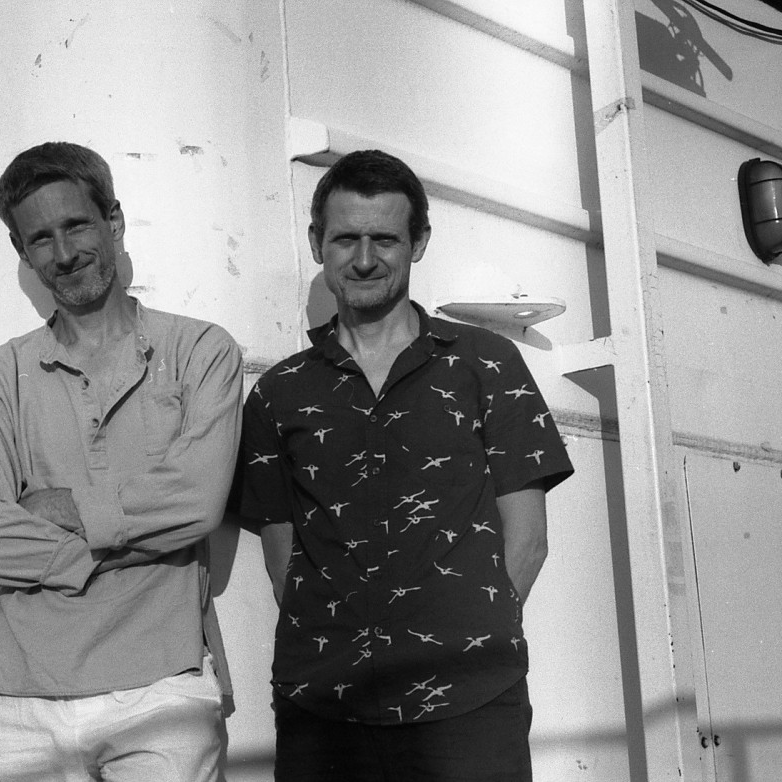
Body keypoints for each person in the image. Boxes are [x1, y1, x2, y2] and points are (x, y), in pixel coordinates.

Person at [234, 150, 574, 781]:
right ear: (316, 243)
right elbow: (282, 556)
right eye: (345, 239)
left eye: (385, 239)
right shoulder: (278, 393)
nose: (364, 259)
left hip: (469, 705)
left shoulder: (486, 364)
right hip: (325, 709)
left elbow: (528, 539)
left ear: (418, 242)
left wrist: (464, 635)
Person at [0, 141, 243, 782]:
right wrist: (127, 540)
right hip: (23, 694)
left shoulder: (200, 350)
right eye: (40, 238)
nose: (63, 253)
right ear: (21, 250)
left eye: (77, 225)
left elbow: (197, 504)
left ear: (113, 221)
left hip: (163, 682)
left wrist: (60, 509)